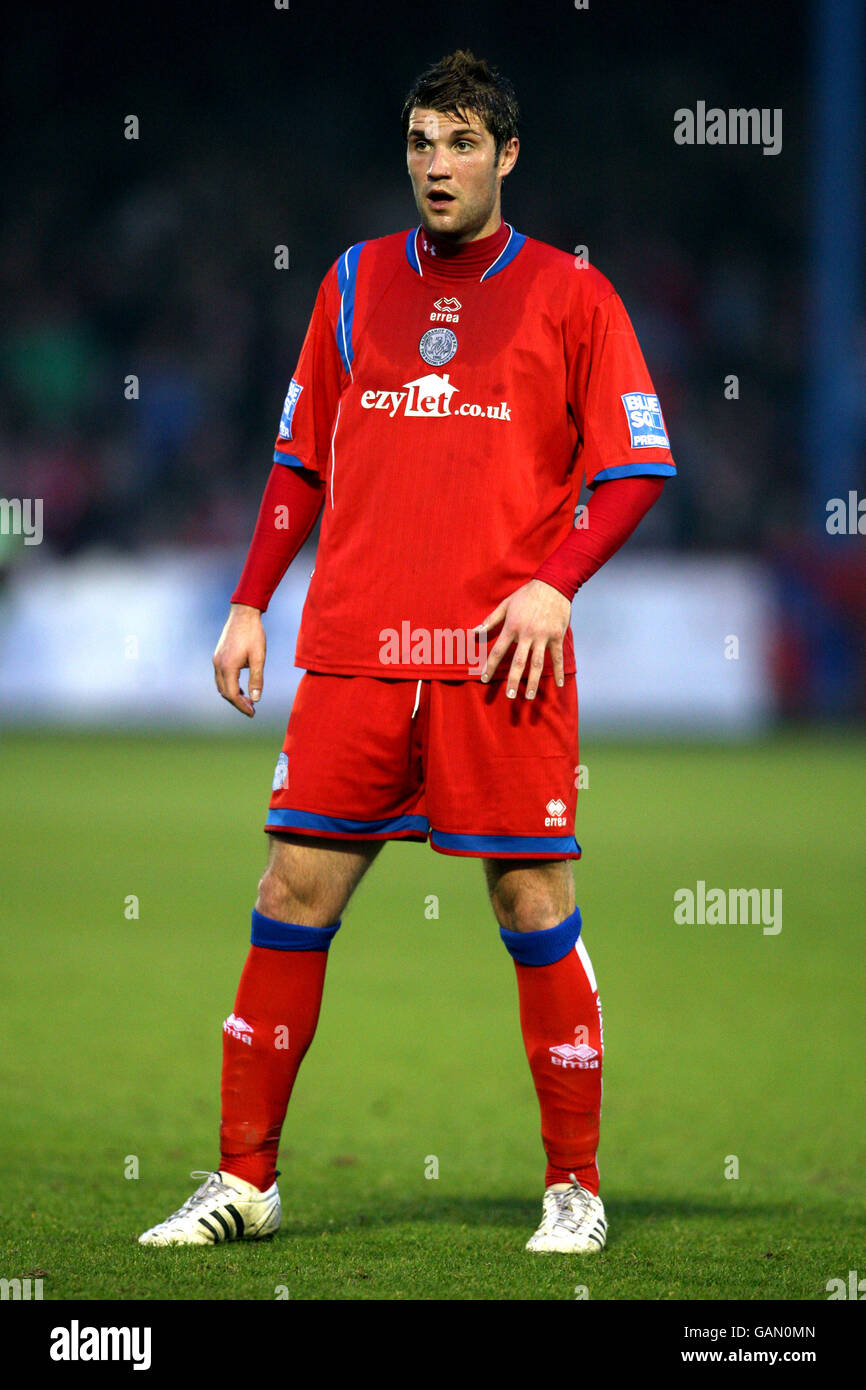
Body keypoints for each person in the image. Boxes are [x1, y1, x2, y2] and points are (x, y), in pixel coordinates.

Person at [139, 49, 675, 1255]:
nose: (436, 167)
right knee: (289, 893)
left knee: (531, 900)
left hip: (499, 660)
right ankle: (243, 1181)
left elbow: (634, 468)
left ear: (507, 157)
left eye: (461, 144)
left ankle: (573, 1187)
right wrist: (247, 602)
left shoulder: (571, 296)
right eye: (421, 143)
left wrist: (551, 583)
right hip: (356, 655)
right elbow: (297, 462)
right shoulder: (349, 282)